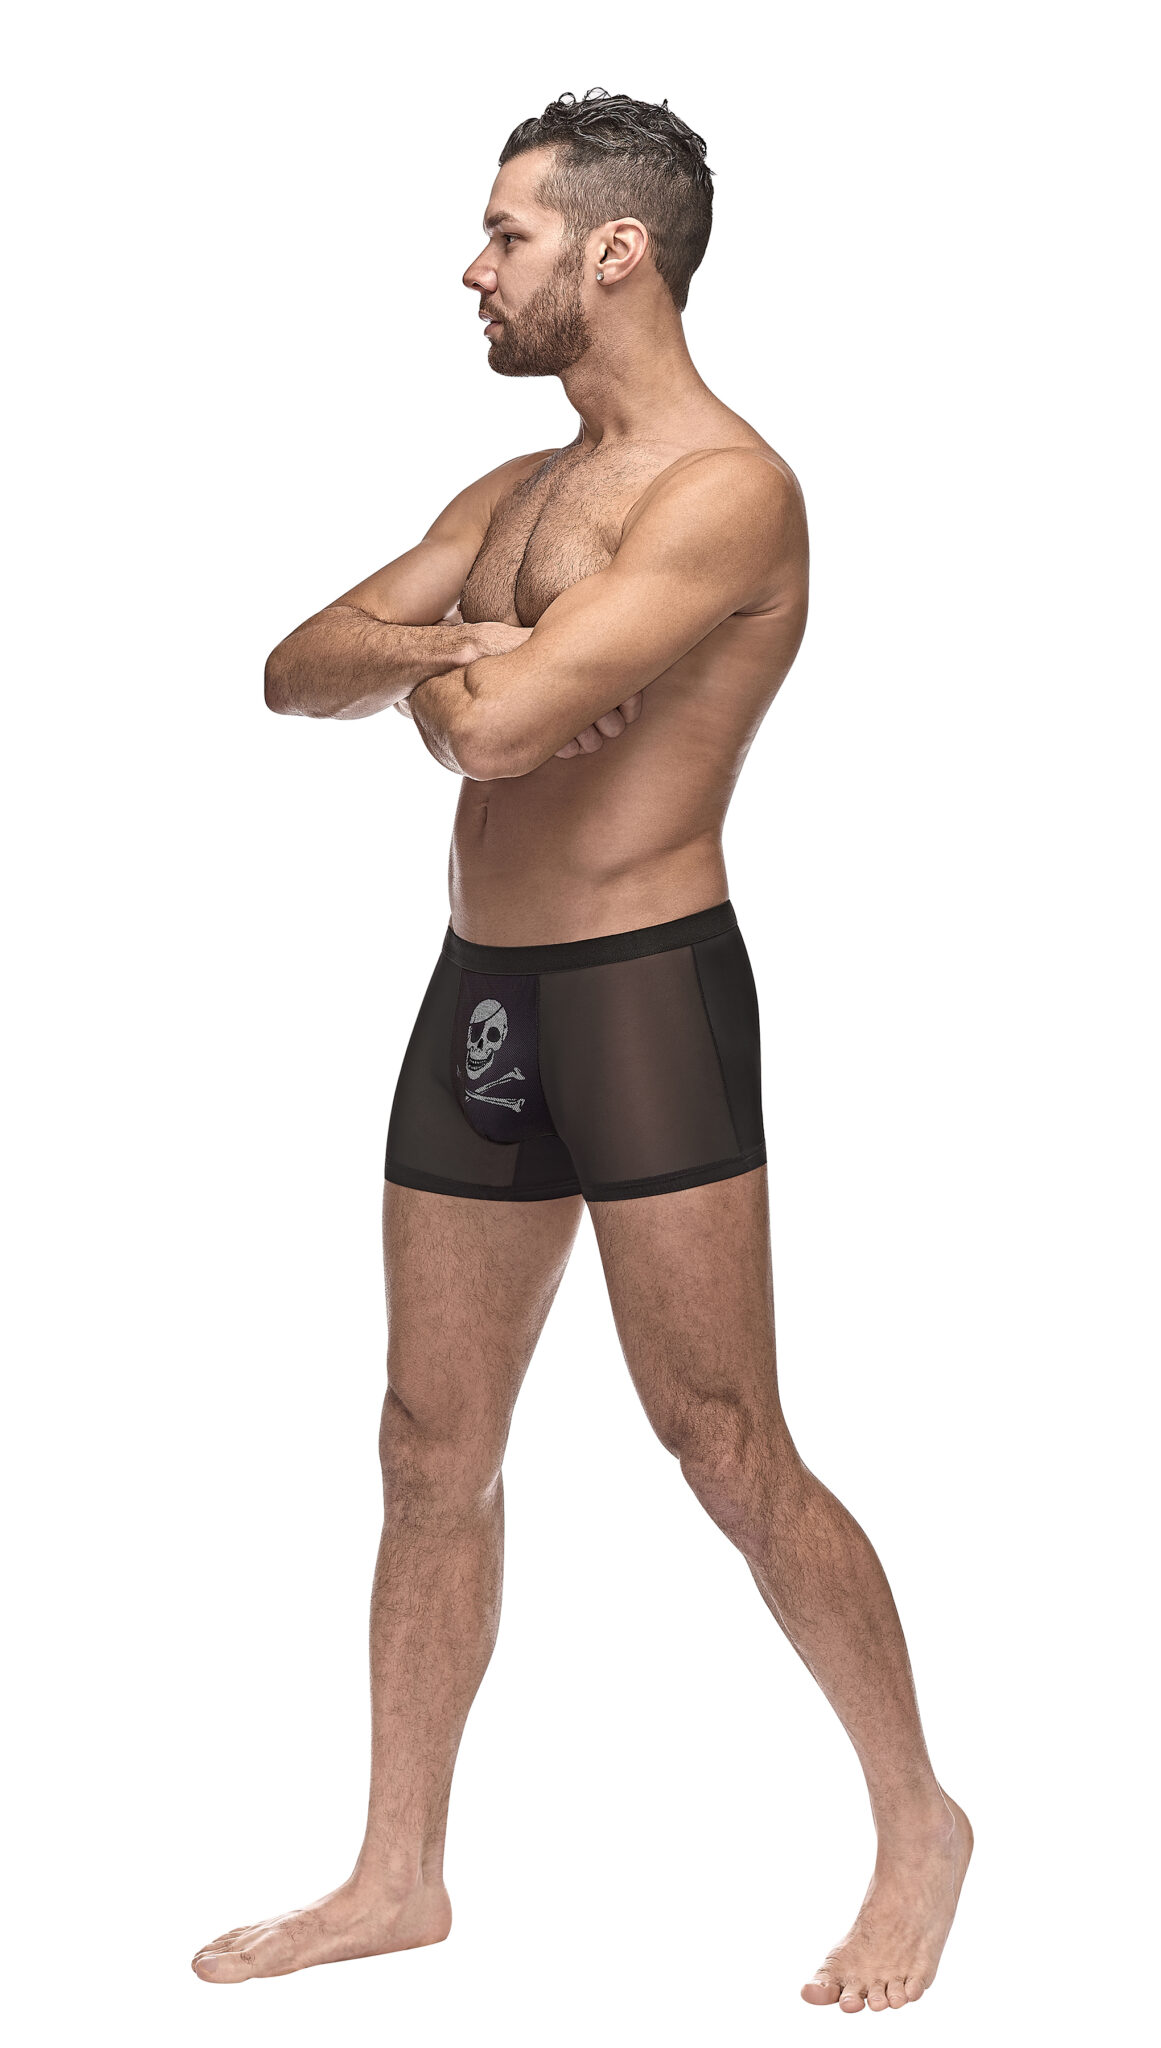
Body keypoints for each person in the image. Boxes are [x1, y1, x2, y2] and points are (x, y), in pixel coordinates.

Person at [192, 88, 972, 2011]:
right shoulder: (514, 494)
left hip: (640, 996)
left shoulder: (726, 493)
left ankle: (920, 1823)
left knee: (722, 1442)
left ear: (615, 251)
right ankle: (396, 1876)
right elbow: (292, 667)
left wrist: (453, 667)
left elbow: (491, 735)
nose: (473, 269)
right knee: (424, 1445)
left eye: (507, 233)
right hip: (480, 993)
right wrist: (454, 643)